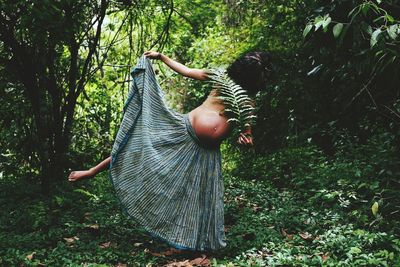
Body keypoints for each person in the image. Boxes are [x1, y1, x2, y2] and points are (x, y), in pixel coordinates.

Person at [68, 51, 272, 252]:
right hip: (182, 131)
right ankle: (91, 171)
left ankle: (194, 240)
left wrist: (245, 140)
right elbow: (187, 71)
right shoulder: (219, 77)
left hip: (206, 154)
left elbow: (247, 136)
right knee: (138, 146)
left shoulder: (247, 104)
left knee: (198, 199)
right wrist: (162, 57)